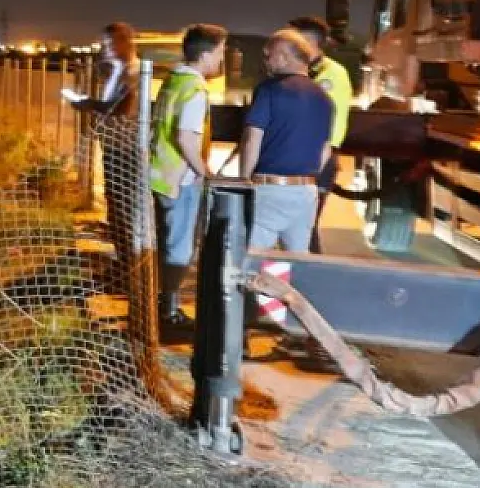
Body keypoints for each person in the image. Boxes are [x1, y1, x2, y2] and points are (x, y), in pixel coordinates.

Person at [149, 23, 228, 324]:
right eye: (220, 53)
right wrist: (206, 172)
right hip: (179, 180)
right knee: (180, 247)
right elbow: (185, 137)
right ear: (206, 54)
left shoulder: (173, 81)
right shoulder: (195, 90)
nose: (221, 60)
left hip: (161, 174)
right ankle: (168, 311)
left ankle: (161, 301)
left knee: (166, 241)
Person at [228, 29, 334, 252]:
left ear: (284, 56)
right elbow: (325, 149)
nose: (265, 61)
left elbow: (252, 138)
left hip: (269, 189)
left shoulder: (269, 90)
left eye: (269, 55)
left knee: (253, 258)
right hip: (306, 192)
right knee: (295, 258)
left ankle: (260, 287)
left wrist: (245, 179)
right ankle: (284, 287)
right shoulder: (324, 98)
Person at [73, 22, 142, 264]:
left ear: (126, 42)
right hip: (114, 147)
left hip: (125, 149)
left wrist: (88, 104)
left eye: (110, 43)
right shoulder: (118, 71)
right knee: (116, 207)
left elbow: (122, 108)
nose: (107, 49)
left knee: (123, 209)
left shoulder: (132, 72)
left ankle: (129, 268)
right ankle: (123, 263)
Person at [288, 15, 354, 251]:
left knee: (304, 228)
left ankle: (307, 281)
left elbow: (328, 125)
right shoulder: (303, 71)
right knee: (295, 229)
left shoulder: (331, 74)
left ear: (308, 43)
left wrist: (315, 167)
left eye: (292, 41)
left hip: (316, 159)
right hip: (301, 159)